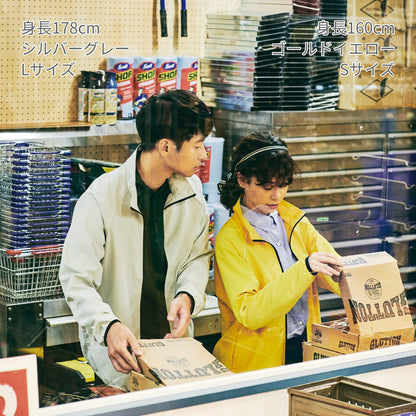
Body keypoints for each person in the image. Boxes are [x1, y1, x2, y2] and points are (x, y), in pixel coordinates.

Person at [59, 89, 214, 390]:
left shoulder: (192, 191)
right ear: (166, 147)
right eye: (197, 146)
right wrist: (109, 327)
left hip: (174, 353)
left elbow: (196, 258)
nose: (204, 155)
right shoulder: (101, 197)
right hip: (119, 357)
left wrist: (187, 296)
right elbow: (76, 279)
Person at [212, 131, 343, 373]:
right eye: (267, 187)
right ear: (242, 180)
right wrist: (305, 268)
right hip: (255, 365)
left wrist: (366, 286)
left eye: (283, 186)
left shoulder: (296, 222)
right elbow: (250, 313)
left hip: (305, 348)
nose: (277, 196)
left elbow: (338, 271)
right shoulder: (230, 239)